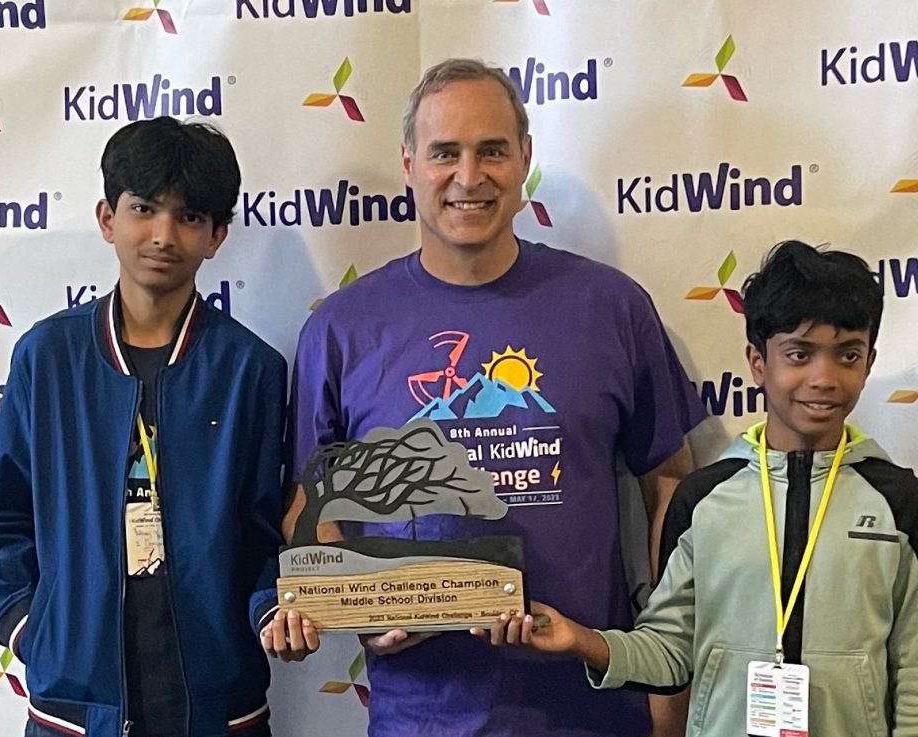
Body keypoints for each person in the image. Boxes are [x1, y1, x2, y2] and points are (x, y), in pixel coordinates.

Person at [285, 58, 704, 737]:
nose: (469, 177)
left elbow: (669, 482)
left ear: (525, 159)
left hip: (593, 712)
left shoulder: (612, 308)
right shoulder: (341, 328)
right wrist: (363, 612)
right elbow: (308, 511)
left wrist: (665, 664)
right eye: (445, 152)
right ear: (410, 163)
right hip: (420, 715)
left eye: (492, 151)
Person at [485, 241, 918, 737]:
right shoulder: (704, 498)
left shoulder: (897, 501)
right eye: (799, 354)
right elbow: (669, 652)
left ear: (868, 362)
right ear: (757, 361)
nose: (823, 378)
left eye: (847, 356)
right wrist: (579, 639)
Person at [0, 116, 295, 737]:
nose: (163, 235)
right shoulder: (47, 358)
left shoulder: (251, 370)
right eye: (143, 208)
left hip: (216, 707)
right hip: (74, 705)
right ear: (107, 218)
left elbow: (263, 534)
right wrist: (30, 627)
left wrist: (266, 611)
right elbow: (0, 515)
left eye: (190, 217)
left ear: (218, 235)